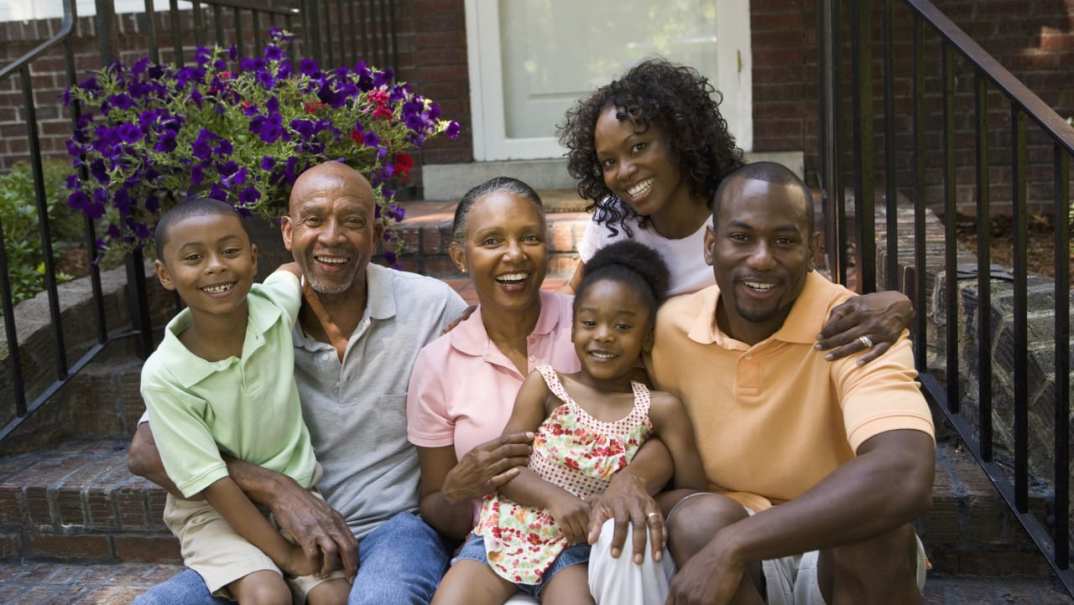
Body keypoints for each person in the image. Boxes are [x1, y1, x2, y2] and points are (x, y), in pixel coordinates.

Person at [129, 162, 469, 605]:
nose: (332, 237)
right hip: (265, 532)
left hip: (389, 527)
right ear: (288, 234)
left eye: (352, 222)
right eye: (314, 221)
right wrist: (275, 488)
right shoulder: (238, 318)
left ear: (376, 234)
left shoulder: (430, 307)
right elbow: (147, 450)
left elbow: (493, 374)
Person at [652, 162, 934, 604]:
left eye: (784, 241)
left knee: (871, 532)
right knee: (698, 521)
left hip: (835, 550)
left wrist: (734, 545)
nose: (762, 258)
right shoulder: (669, 329)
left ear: (813, 250)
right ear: (711, 245)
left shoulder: (857, 327)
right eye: (741, 237)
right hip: (737, 547)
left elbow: (906, 472)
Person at [406, 177, 673, 605]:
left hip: (579, 546)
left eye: (529, 237)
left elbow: (654, 423)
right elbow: (436, 505)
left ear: (547, 247)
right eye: (492, 240)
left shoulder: (593, 325)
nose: (514, 254)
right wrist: (459, 488)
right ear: (460, 256)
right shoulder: (438, 362)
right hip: (493, 546)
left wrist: (631, 478)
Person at [559, 58, 913, 364]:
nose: (623, 171)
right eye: (608, 161)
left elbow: (810, 296)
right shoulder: (614, 222)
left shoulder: (740, 214)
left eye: (639, 147)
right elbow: (569, 307)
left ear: (681, 138)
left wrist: (897, 302)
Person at [142, 197, 349, 604]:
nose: (216, 265)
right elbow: (213, 482)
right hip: (214, 513)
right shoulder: (165, 375)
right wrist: (287, 557)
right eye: (194, 257)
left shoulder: (272, 309)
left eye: (230, 251)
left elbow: (292, 272)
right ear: (166, 275)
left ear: (253, 259)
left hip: (299, 497)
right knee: (266, 593)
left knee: (335, 596)